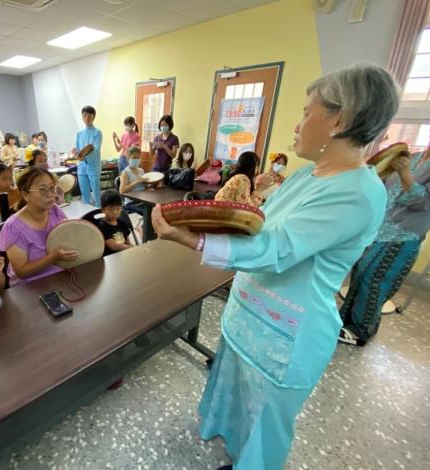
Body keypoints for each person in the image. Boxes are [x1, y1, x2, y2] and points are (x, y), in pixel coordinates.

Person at [150, 63, 399, 470]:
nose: (298, 124)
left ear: (340, 120)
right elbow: (259, 225)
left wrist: (195, 239)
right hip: (250, 314)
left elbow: (277, 247)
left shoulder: (357, 192)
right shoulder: (307, 176)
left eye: (306, 112)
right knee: (235, 400)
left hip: (286, 334)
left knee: (265, 426)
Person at [339, 143, 430, 345]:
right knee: (360, 274)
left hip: (402, 236)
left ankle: (361, 331)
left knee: (375, 281)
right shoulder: (414, 157)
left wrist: (404, 171)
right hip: (378, 228)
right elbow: (385, 182)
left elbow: (420, 201)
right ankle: (345, 320)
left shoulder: (407, 164)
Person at [0, 167, 77, 286]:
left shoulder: (55, 211)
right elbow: (21, 272)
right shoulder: (13, 227)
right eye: (42, 190)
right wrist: (53, 257)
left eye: (52, 188)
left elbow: (66, 240)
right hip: (30, 287)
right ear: (25, 195)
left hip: (60, 278)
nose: (51, 194)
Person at [72, 105, 103, 207]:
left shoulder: (97, 132)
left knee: (95, 191)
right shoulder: (79, 133)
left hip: (93, 165)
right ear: (82, 117)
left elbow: (96, 149)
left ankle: (98, 209)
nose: (87, 118)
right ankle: (86, 210)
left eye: (90, 115)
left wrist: (85, 158)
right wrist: (75, 151)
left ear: (94, 117)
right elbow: (77, 148)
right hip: (81, 166)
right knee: (84, 191)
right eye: (84, 115)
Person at [98, 191, 133, 257]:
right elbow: (113, 246)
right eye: (111, 209)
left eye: (118, 209)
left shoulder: (122, 223)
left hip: (124, 255)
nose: (114, 212)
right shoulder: (102, 226)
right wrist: (129, 248)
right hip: (110, 258)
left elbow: (127, 241)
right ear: (103, 209)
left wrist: (133, 248)